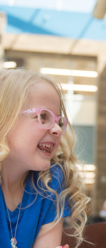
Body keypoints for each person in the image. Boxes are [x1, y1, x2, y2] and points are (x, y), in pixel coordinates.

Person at [0, 69, 90, 248]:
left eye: (59, 121)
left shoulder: (50, 183)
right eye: (43, 117)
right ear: (5, 119)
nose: (57, 129)